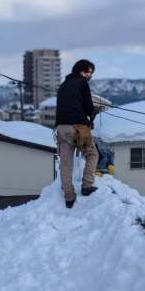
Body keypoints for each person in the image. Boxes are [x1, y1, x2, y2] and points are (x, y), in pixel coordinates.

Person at [55, 59, 99, 208]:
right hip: (78, 127)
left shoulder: (63, 85)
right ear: (81, 71)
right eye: (89, 72)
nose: (90, 76)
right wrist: (93, 111)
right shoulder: (82, 83)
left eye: (91, 74)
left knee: (65, 163)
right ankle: (87, 186)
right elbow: (88, 108)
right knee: (92, 154)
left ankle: (69, 196)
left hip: (61, 128)